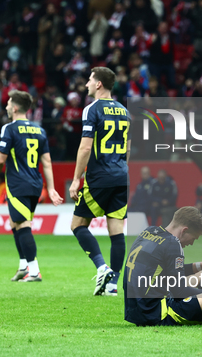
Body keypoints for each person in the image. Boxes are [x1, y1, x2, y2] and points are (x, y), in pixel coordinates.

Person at [0, 90, 63, 283]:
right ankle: (23, 265)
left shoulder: (9, 129)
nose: (5, 107)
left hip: (17, 184)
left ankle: (34, 270)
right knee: (15, 223)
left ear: (14, 108)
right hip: (35, 184)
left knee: (22, 225)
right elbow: (46, 163)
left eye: (8, 103)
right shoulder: (40, 130)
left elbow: (0, 160)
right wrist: (51, 188)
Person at [68, 67, 130, 296]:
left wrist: (76, 179)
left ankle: (102, 268)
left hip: (99, 176)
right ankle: (113, 285)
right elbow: (128, 148)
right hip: (122, 175)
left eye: (89, 80)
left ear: (99, 84)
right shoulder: (125, 111)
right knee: (116, 231)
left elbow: (85, 146)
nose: (86, 84)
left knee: (77, 225)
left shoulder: (91, 110)